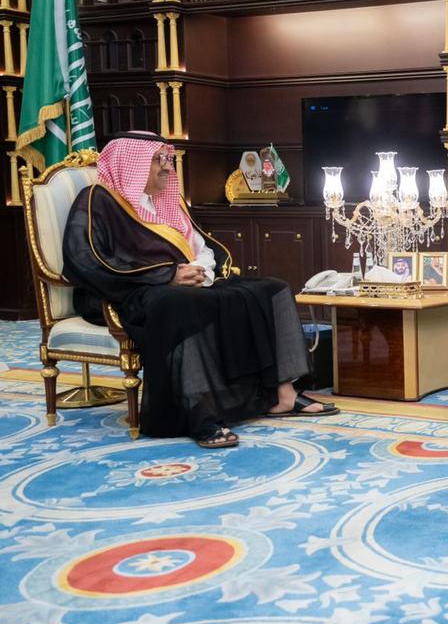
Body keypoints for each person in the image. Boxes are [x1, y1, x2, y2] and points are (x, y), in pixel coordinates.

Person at [62, 132, 338, 449]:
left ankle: (283, 395)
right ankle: (199, 411)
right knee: (181, 303)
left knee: (271, 289)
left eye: (168, 159)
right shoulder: (98, 200)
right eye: (158, 160)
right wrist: (167, 275)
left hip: (187, 284)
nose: (168, 167)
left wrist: (202, 270)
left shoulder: (166, 200)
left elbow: (201, 247)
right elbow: (83, 259)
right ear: (130, 163)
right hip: (133, 290)